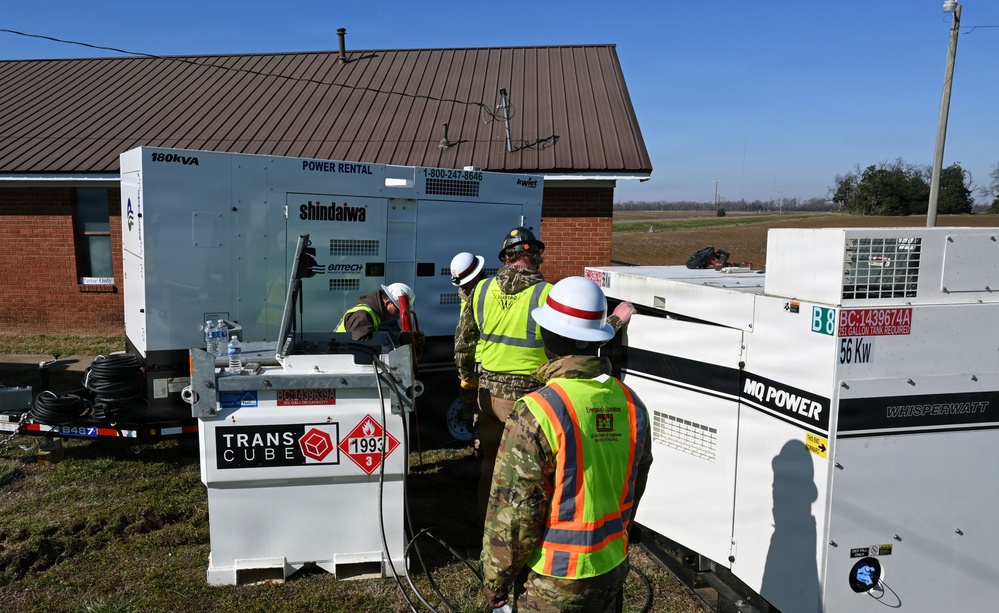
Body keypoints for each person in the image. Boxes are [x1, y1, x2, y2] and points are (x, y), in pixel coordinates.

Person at [480, 276, 653, 612]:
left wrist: (496, 580)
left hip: (552, 581)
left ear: (547, 336)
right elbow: (635, 485)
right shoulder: (632, 404)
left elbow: (515, 513)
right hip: (611, 568)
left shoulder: (537, 411)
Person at [450, 251, 487, 452]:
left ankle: (481, 451)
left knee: (480, 412)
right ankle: (478, 447)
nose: (462, 287)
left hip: (483, 361)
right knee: (473, 410)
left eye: (465, 283)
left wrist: (466, 371)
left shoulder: (483, 294)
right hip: (472, 362)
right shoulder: (467, 294)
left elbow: (465, 338)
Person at [334, 282, 415, 341]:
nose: (399, 315)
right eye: (398, 310)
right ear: (387, 303)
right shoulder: (363, 316)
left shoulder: (376, 315)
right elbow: (361, 349)